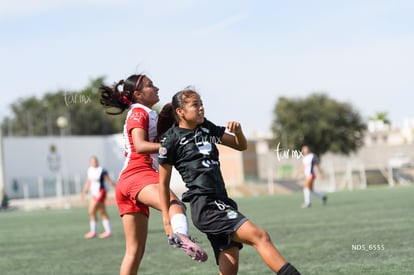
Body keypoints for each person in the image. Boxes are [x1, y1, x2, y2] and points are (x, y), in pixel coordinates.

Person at [158, 88, 301, 275]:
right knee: (260, 236)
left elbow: (240, 145)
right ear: (180, 112)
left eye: (201, 104)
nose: (201, 108)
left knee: (230, 268)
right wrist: (167, 224)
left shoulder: (206, 128)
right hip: (205, 205)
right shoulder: (171, 139)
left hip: (222, 201)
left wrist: (239, 132)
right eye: (195, 105)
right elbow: (162, 184)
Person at [99, 74, 207, 275]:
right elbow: (140, 146)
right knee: (175, 205)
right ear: (139, 94)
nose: (156, 88)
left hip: (128, 182)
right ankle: (182, 236)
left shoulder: (145, 112)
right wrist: (171, 146)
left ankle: (178, 234)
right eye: (150, 85)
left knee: (134, 252)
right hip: (138, 173)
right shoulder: (139, 112)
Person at [81, 156, 116, 239]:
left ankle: (93, 231)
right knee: (102, 211)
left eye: (95, 161)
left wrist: (116, 188)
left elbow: (109, 180)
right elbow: (88, 182)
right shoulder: (89, 170)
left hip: (101, 192)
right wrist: (84, 191)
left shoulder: (102, 170)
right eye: (93, 161)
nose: (94, 163)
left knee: (91, 210)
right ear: (90, 163)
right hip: (94, 193)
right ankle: (108, 231)